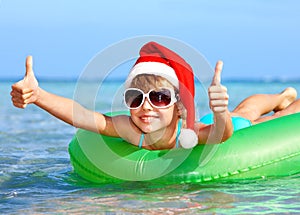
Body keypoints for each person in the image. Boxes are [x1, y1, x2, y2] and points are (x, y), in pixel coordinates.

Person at [11, 42, 300, 150]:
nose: (145, 107)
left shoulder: (188, 133)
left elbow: (221, 134)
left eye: (160, 97)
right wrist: (38, 95)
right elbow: (83, 115)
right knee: (244, 109)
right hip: (217, 119)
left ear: (177, 105)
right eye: (135, 98)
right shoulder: (129, 129)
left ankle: (283, 97)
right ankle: (282, 94)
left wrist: (221, 112)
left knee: (249, 116)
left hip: (226, 125)